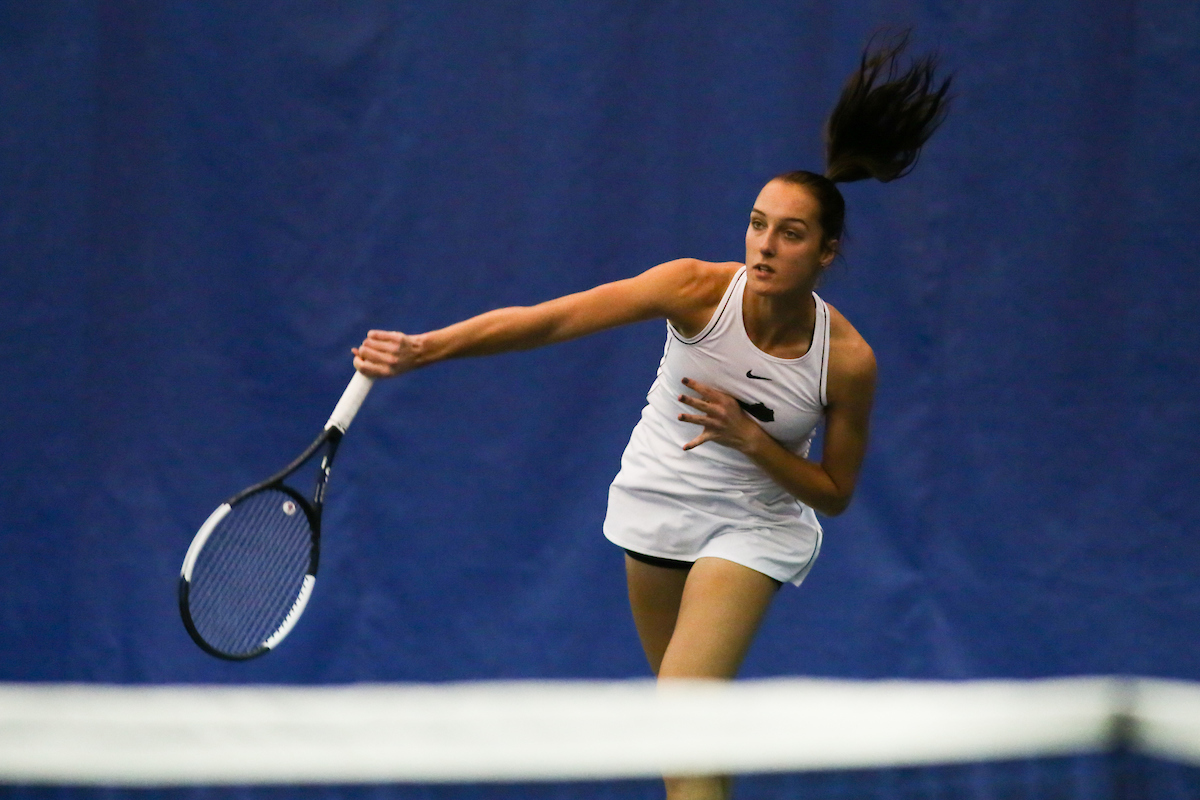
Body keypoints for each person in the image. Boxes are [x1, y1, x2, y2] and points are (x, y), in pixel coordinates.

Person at [352, 31, 951, 800]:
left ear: (827, 253)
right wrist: (426, 348)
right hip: (655, 503)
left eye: (791, 234)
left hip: (755, 524)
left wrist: (749, 438)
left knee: (683, 705)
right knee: (684, 734)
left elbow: (834, 492)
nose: (765, 245)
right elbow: (550, 320)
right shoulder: (695, 289)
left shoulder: (848, 360)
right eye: (757, 223)